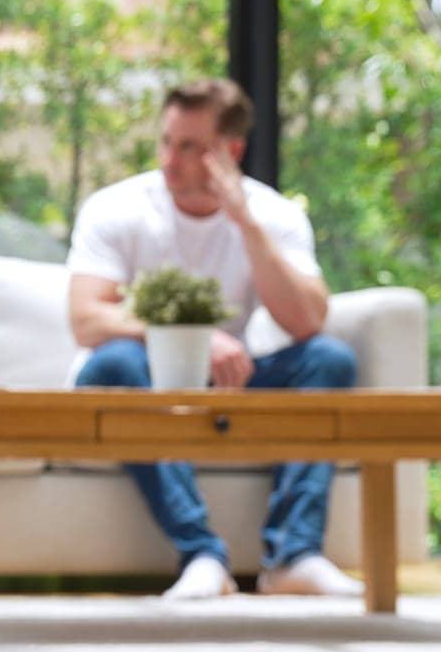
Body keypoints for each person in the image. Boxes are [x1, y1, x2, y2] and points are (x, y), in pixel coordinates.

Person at [66, 77, 363, 600]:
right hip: (146, 381)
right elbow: (87, 320)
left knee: (329, 359)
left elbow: (307, 321)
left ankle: (293, 557)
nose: (170, 160)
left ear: (231, 152)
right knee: (111, 364)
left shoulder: (272, 214)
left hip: (232, 383)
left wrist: (245, 223)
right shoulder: (117, 208)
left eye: (190, 147)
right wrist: (196, 341)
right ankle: (203, 555)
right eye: (166, 142)